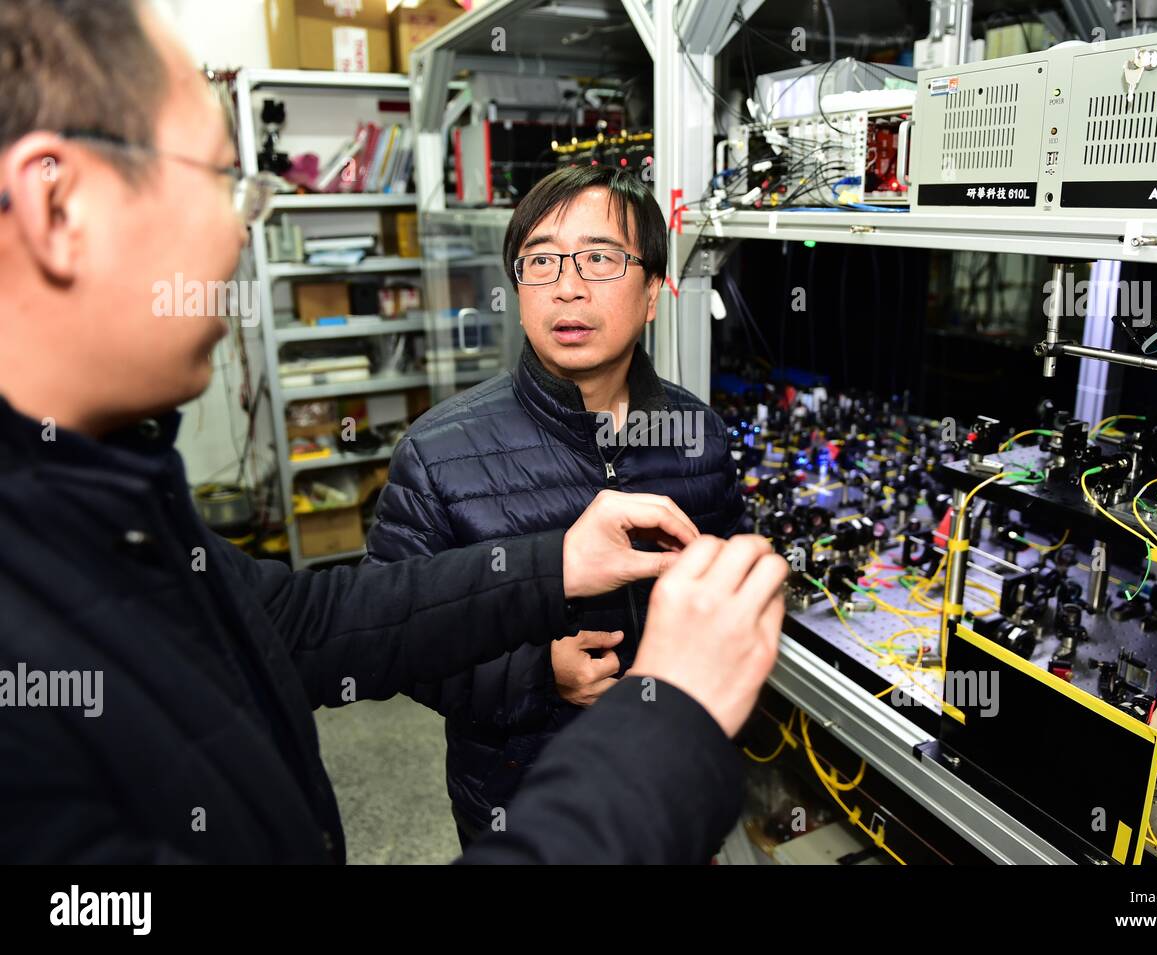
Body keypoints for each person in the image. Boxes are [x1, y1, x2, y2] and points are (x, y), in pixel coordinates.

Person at [0, 0, 787, 864]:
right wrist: (667, 722)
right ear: (57, 205)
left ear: (653, 289)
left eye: (600, 260)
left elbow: (315, 620)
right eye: (224, 182)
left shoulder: (106, 503)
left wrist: (555, 564)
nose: (240, 232)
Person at [366, 165, 746, 846]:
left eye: (600, 258)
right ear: (517, 293)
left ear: (655, 293)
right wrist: (537, 673)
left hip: (669, 788)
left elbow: (725, 608)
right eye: (541, 261)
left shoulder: (700, 436)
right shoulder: (438, 452)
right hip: (524, 812)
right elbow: (390, 639)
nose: (567, 286)